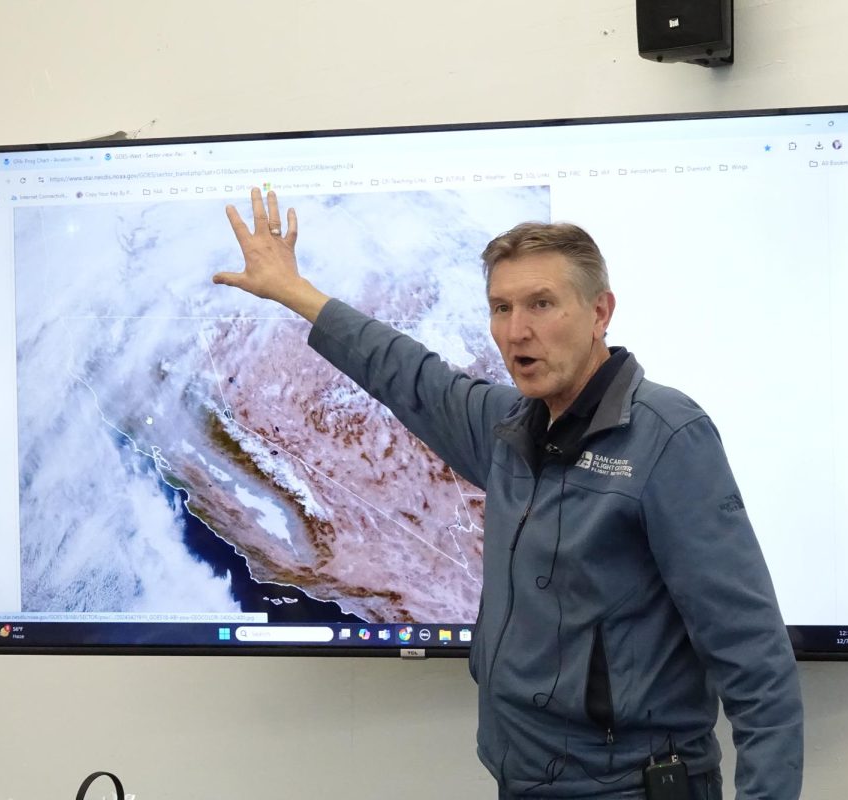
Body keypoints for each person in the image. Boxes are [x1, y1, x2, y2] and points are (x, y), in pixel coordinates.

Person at [214, 189, 803, 799]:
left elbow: (755, 658)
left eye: (541, 304)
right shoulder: (510, 428)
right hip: (520, 778)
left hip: (627, 787)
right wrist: (293, 290)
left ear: (601, 312)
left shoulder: (667, 437)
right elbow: (407, 372)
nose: (516, 331)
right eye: (500, 308)